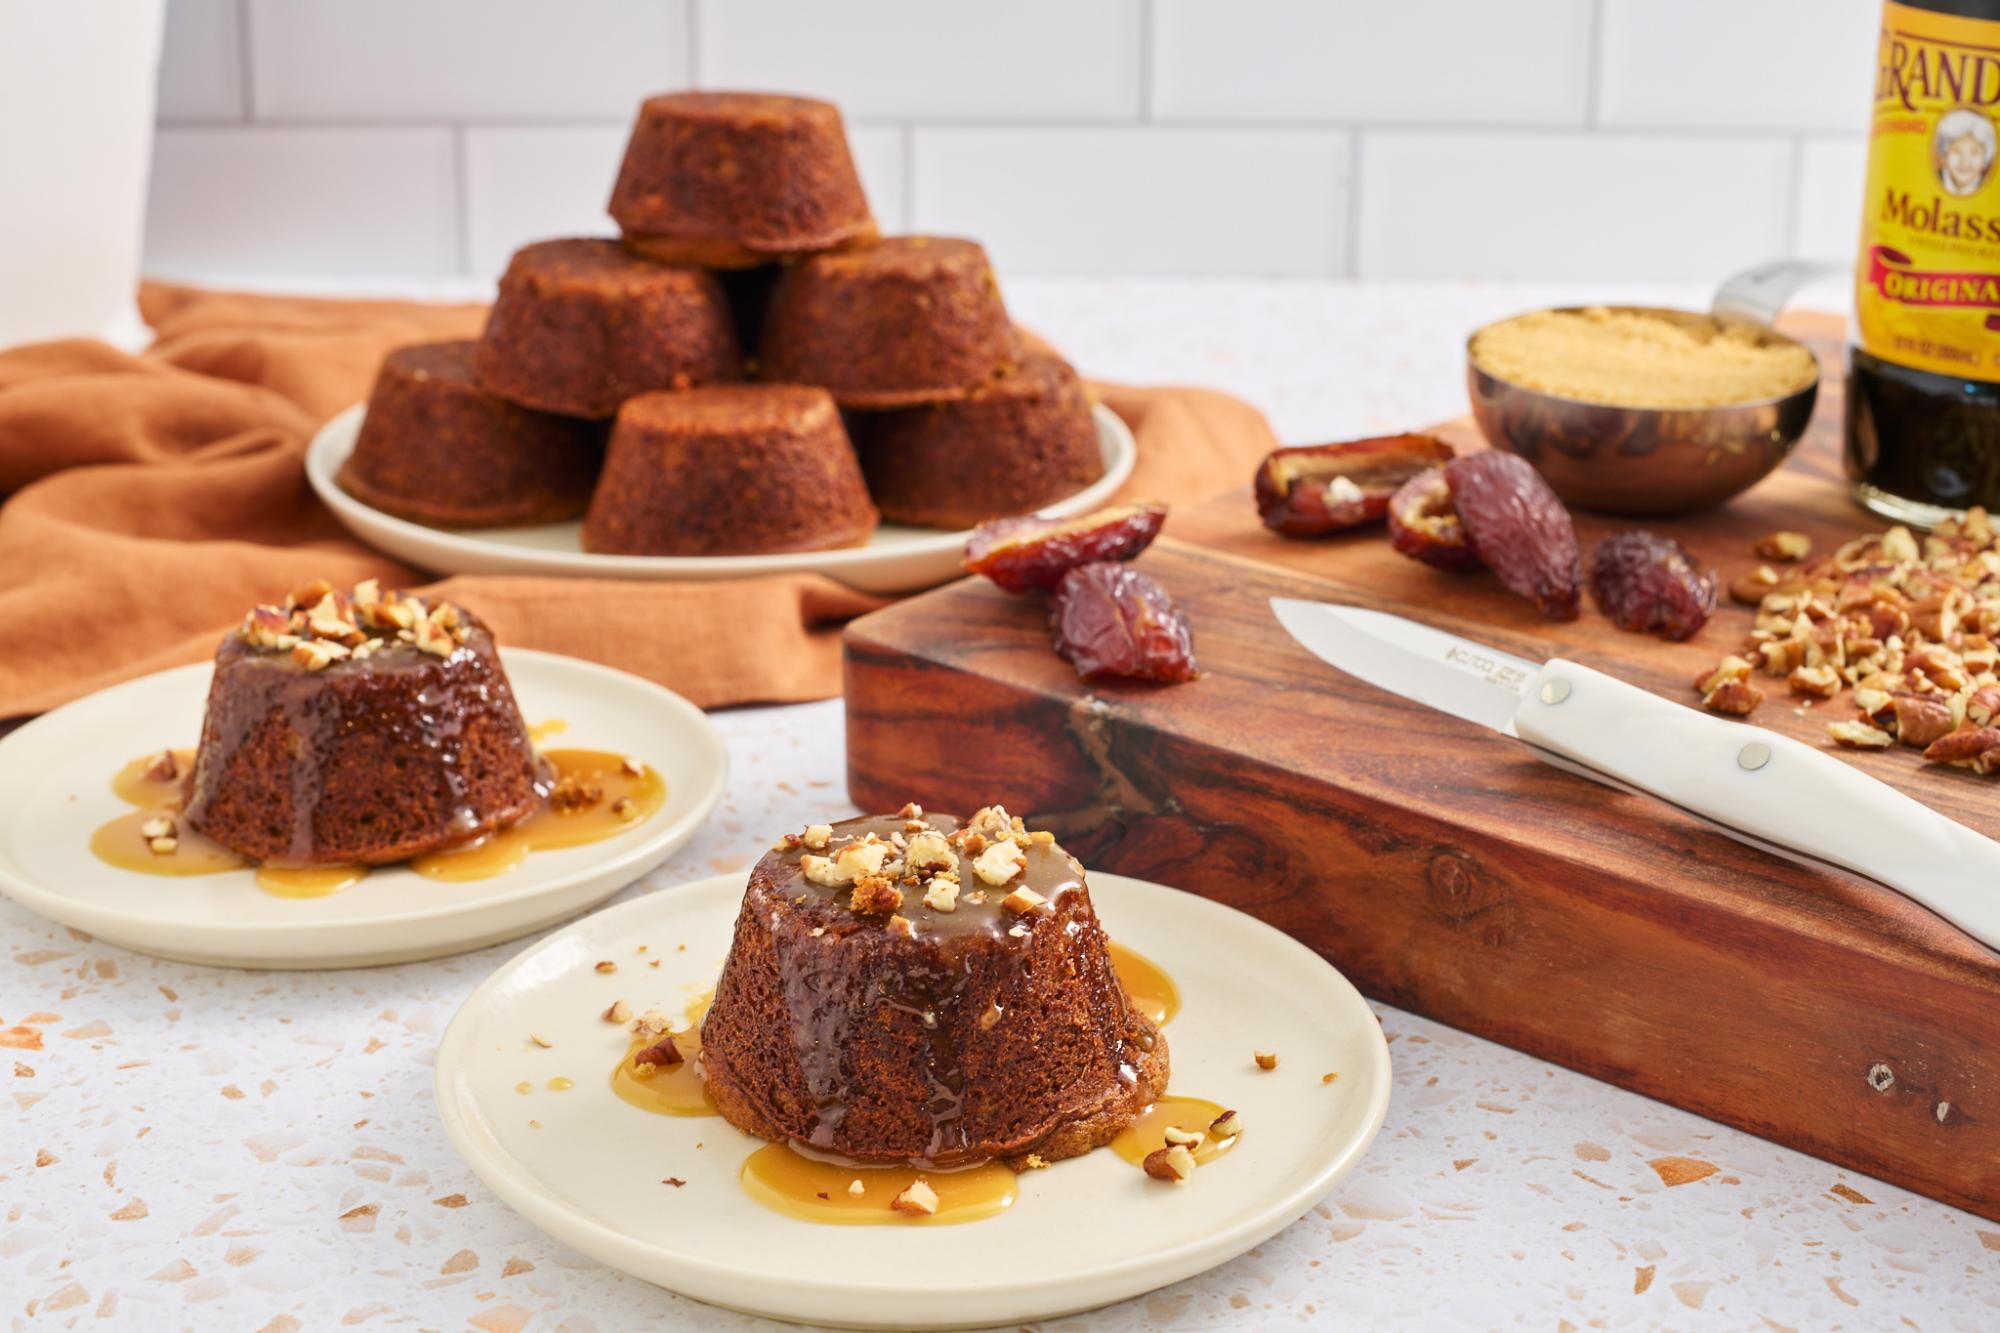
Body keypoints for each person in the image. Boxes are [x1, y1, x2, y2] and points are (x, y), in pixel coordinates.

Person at [1934, 106, 1998, 197]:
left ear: (1985, 158)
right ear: (1945, 154)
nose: (1965, 161)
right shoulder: (1935, 180)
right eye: (1956, 151)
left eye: (1974, 153)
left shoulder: (1990, 188)